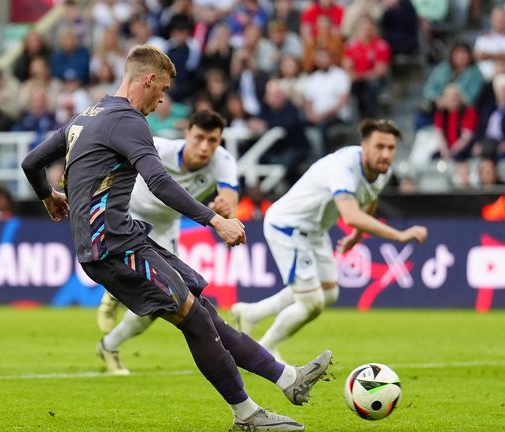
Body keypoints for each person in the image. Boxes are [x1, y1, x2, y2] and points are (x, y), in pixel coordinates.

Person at [21, 45, 331, 432]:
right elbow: (160, 181)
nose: (162, 98)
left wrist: (48, 196)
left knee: (206, 313)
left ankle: (289, 379)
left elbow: (31, 162)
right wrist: (214, 221)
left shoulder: (87, 115)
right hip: (112, 246)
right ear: (148, 80)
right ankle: (247, 416)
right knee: (195, 320)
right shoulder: (130, 121)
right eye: (163, 88)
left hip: (126, 238)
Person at [231, 119, 428, 362]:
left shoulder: (380, 171)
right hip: (288, 227)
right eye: (379, 146)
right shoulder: (344, 167)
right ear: (364, 145)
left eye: (390, 148)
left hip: (314, 231)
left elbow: (370, 199)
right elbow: (351, 215)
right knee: (312, 302)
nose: (385, 154)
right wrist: (399, 235)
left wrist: (356, 236)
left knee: (329, 293)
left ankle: (251, 313)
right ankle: (264, 349)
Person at [95, 109, 238, 375]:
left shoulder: (223, 161)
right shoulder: (159, 147)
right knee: (138, 279)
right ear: (187, 133)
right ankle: (112, 295)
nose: (205, 147)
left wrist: (225, 207)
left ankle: (108, 345)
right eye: (199, 138)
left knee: (163, 301)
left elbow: (231, 199)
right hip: (129, 215)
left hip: (165, 227)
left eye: (213, 141)